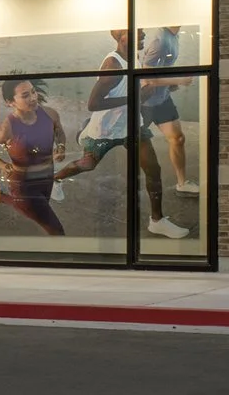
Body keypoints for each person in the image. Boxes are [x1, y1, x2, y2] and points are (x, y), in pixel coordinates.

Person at [55, 30, 189, 241]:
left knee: (153, 169)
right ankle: (55, 179)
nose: (143, 33)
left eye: (141, 30)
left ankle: (157, 221)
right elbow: (93, 104)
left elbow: (135, 90)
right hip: (106, 130)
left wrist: (165, 87)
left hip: (132, 125)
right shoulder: (113, 66)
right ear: (120, 37)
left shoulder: (134, 57)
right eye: (136, 31)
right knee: (88, 164)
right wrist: (135, 97)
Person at [0, 78, 68, 235]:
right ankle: (2, 197)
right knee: (56, 231)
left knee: (37, 212)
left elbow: (59, 132)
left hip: (47, 178)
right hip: (23, 185)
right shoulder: (6, 127)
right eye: (25, 95)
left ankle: (0, 197)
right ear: (10, 102)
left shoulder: (50, 114)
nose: (33, 98)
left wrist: (61, 146)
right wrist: (2, 165)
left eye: (33, 92)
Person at [139, 25, 201, 198]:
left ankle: (182, 184)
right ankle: (91, 131)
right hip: (144, 103)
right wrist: (178, 80)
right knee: (118, 140)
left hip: (162, 100)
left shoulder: (174, 35)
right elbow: (146, 78)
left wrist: (170, 85)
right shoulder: (159, 41)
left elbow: (162, 67)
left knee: (177, 138)